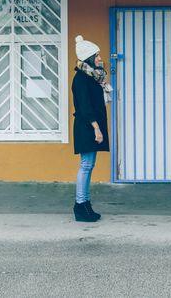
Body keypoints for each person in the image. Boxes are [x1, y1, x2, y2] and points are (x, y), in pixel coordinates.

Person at [71, 35, 112, 222]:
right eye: (96, 56)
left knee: (89, 165)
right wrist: (96, 128)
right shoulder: (81, 79)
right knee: (86, 165)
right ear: (88, 58)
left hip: (91, 125)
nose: (99, 58)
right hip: (86, 126)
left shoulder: (93, 77)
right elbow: (85, 106)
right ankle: (80, 205)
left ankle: (85, 203)